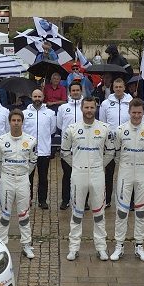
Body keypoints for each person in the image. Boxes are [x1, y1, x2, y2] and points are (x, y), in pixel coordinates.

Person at [62, 96, 115, 261]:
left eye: (92, 108)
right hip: (78, 174)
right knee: (77, 213)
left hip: (98, 174)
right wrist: (77, 164)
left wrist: (99, 165)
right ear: (82, 108)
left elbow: (110, 152)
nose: (89, 111)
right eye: (87, 108)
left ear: (96, 108)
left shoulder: (105, 128)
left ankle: (101, 248)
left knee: (99, 213)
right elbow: (64, 152)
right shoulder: (71, 128)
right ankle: (73, 247)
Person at [111, 99, 144, 262]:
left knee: (141, 211)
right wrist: (125, 166)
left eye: (139, 112)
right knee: (122, 211)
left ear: (143, 113)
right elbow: (116, 153)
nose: (136, 115)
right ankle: (119, 245)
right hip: (125, 172)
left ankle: (139, 245)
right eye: (134, 112)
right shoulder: (120, 130)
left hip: (143, 173)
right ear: (129, 112)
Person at [0, 109, 38, 257]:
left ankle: (26, 244)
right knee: (4, 214)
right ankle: (2, 244)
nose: (16, 123)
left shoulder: (31, 140)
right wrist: (7, 174)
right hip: (6, 179)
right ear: (9, 122)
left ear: (22, 122)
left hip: (23, 179)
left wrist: (22, 173)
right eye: (14, 120)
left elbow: (32, 162)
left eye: (19, 120)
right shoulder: (0, 141)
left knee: (24, 213)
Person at [100, 77, 132, 207]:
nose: (118, 89)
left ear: (124, 87)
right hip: (110, 143)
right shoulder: (106, 103)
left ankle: (127, 199)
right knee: (108, 172)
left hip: (126, 142)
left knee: (127, 172)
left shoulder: (131, 102)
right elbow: (102, 123)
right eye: (116, 87)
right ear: (113, 88)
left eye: (121, 87)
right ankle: (107, 199)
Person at [23, 89, 57, 208]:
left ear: (43, 98)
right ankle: (28, 199)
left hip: (44, 150)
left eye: (39, 96)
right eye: (35, 96)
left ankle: (42, 201)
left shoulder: (50, 113)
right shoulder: (25, 113)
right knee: (28, 177)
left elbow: (52, 130)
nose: (37, 98)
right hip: (28, 151)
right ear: (31, 97)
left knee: (43, 177)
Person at [56, 81, 84, 209]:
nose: (75, 92)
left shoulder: (86, 106)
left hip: (83, 147)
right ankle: (65, 200)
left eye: (77, 90)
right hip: (67, 148)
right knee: (67, 175)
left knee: (83, 176)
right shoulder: (63, 108)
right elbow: (60, 125)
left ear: (81, 91)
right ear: (69, 92)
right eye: (73, 90)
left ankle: (84, 201)